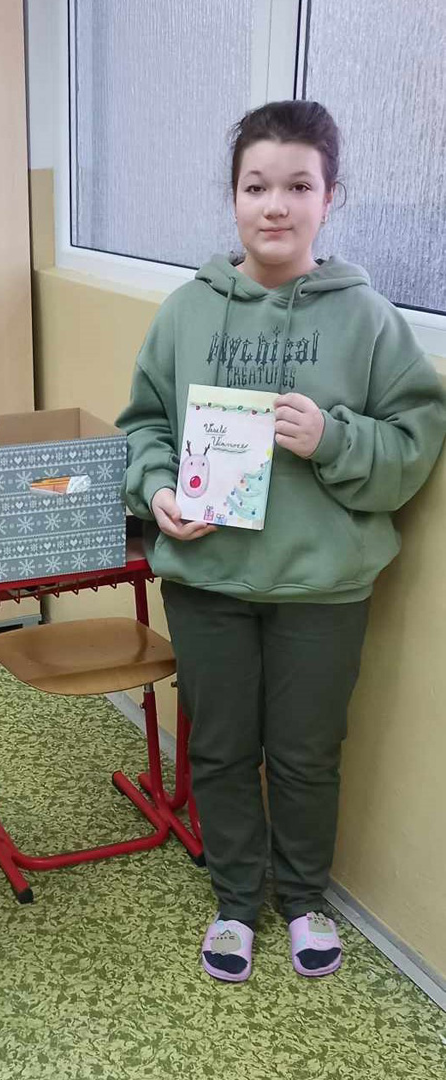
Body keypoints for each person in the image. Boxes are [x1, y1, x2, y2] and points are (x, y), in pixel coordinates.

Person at [116, 100, 446, 983]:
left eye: (299, 186)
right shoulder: (186, 312)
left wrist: (334, 438)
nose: (275, 205)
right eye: (256, 186)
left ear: (330, 198)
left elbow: (415, 444)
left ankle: (302, 899)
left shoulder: (368, 318)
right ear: (232, 197)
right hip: (208, 577)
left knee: (306, 753)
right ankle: (234, 902)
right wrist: (157, 491)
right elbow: (143, 426)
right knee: (220, 747)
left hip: (323, 587)